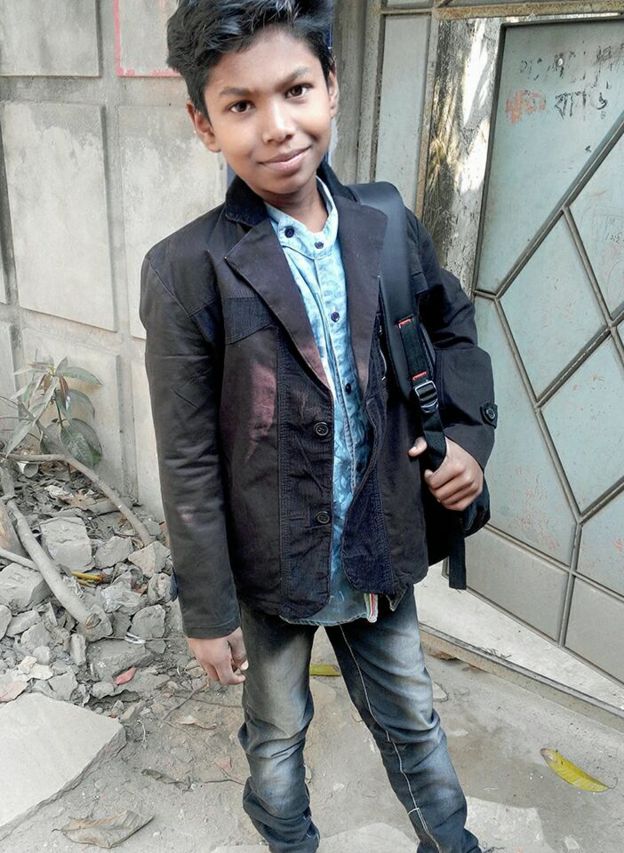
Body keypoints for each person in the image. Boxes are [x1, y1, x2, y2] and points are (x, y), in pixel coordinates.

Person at [140, 2, 497, 851]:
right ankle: (289, 839)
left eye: (296, 89)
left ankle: (453, 841)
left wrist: (468, 442)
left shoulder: (385, 223)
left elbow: (453, 330)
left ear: (331, 86)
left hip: (379, 538)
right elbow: (187, 454)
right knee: (276, 731)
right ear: (203, 123)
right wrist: (206, 608)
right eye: (241, 104)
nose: (276, 126)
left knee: (413, 717)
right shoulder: (187, 268)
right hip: (270, 565)